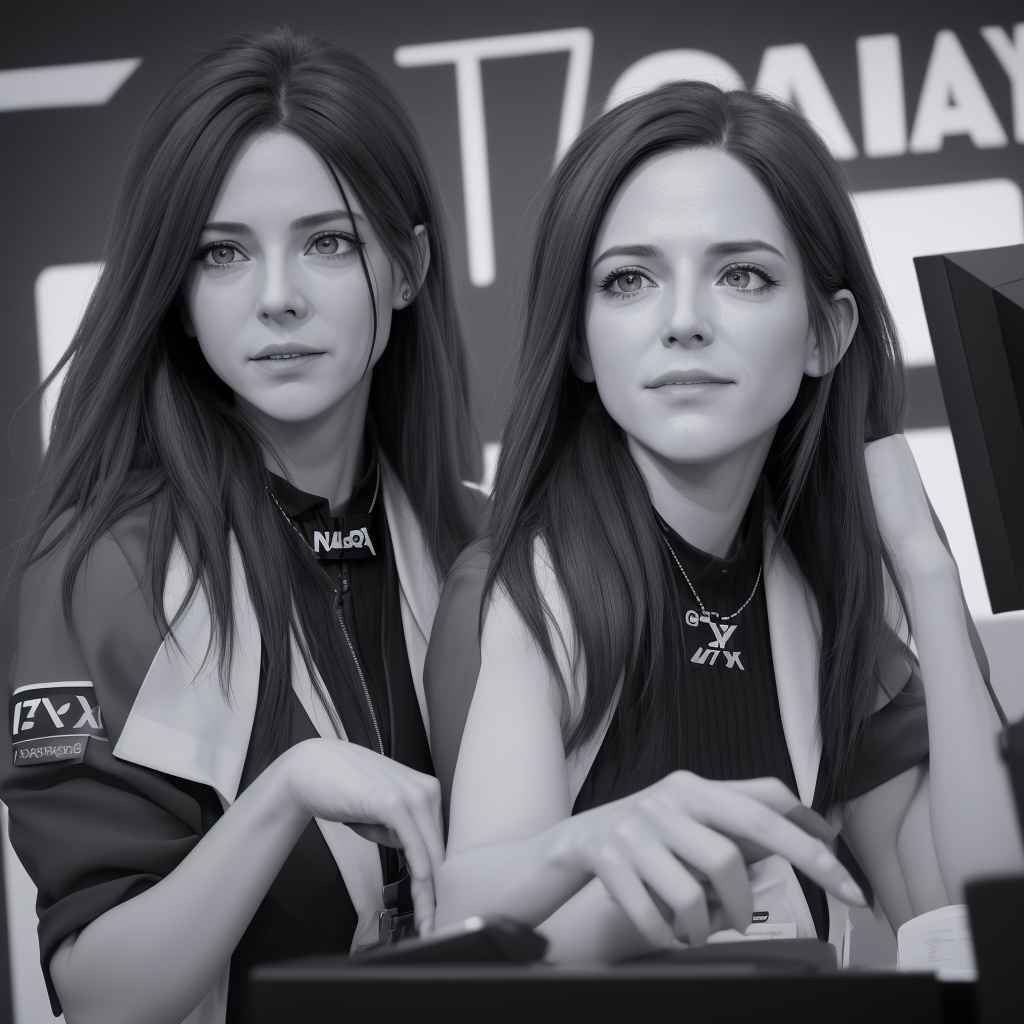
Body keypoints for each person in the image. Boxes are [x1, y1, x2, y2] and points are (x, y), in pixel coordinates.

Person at [424, 82, 1022, 964]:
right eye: (629, 280)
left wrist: (928, 572)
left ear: (826, 333)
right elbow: (475, 951)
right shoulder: (526, 589)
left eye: (742, 275)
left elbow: (971, 918)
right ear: (581, 342)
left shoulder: (831, 593)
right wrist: (654, 886)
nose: (683, 323)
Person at [2, 26, 480, 1024]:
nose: (277, 299)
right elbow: (100, 1000)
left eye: (328, 242)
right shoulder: (108, 573)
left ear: (407, 267)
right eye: (222, 254)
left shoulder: (490, 549)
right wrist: (285, 791)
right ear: (177, 296)